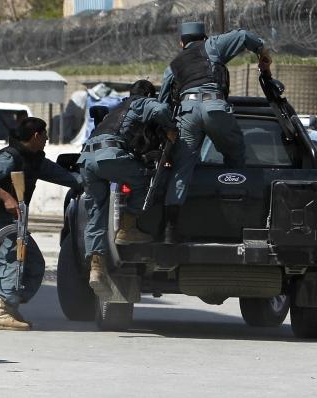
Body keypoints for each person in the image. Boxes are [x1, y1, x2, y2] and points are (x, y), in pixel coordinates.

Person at [158, 21, 272, 244]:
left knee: (181, 170)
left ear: (182, 43)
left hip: (187, 112)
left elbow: (162, 104)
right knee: (235, 153)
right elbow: (244, 35)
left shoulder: (173, 65)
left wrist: (167, 135)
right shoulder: (212, 46)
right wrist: (262, 52)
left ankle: (170, 230)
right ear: (203, 37)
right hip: (214, 107)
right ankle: (236, 214)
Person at [0, 117, 83, 331]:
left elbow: (68, 178)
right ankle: (1, 311)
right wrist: (6, 198)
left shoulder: (33, 159)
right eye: (45, 135)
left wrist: (94, 180)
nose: (47, 139)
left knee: (33, 263)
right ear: (36, 136)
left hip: (15, 219)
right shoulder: (9, 156)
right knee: (10, 259)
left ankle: (10, 302)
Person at [77, 79, 176, 298]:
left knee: (96, 214)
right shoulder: (142, 103)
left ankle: (96, 268)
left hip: (86, 159)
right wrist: (170, 129)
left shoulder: (117, 109)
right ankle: (127, 228)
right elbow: (159, 109)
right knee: (142, 180)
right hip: (110, 155)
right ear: (148, 95)